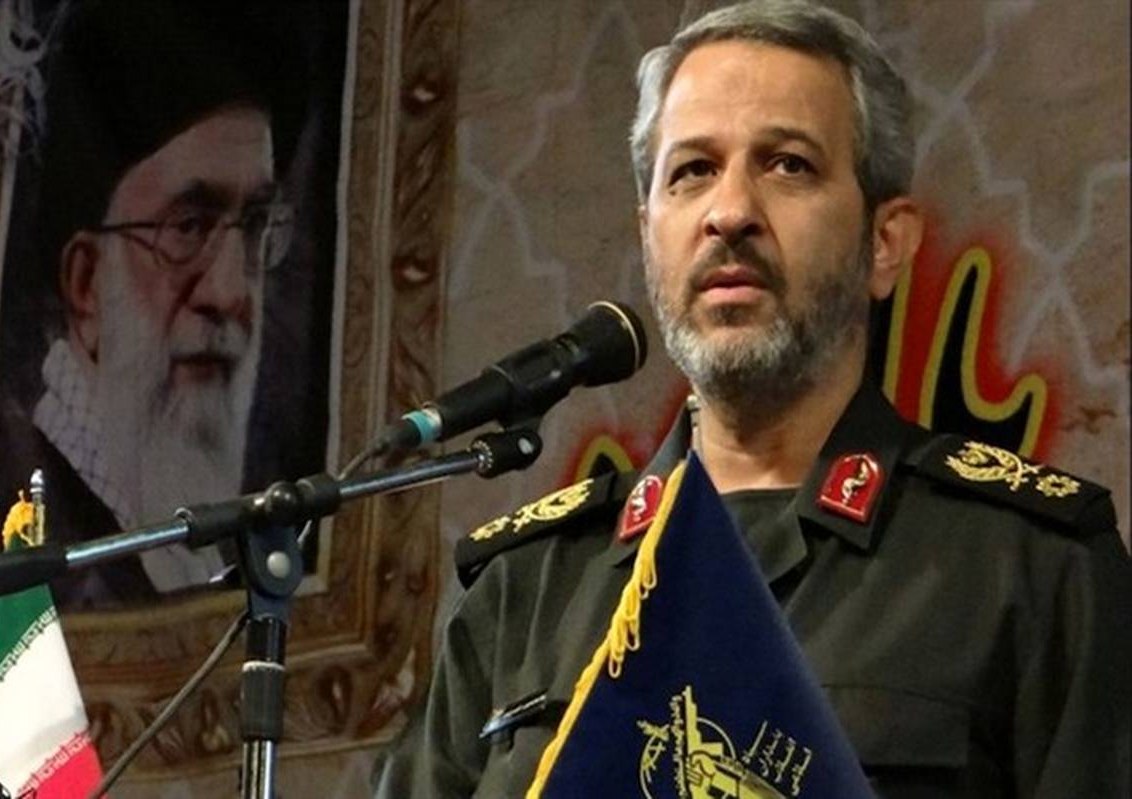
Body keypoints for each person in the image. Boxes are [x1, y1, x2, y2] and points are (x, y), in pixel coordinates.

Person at [372, 1, 1131, 796]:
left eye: (788, 165)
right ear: (648, 233)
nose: (729, 212)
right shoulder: (523, 591)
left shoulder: (1032, 568)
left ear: (885, 242)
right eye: (693, 170)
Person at [0, 0, 298, 610]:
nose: (230, 293)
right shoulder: (34, 531)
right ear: (87, 286)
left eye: (254, 227)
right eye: (187, 228)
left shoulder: (182, 538)